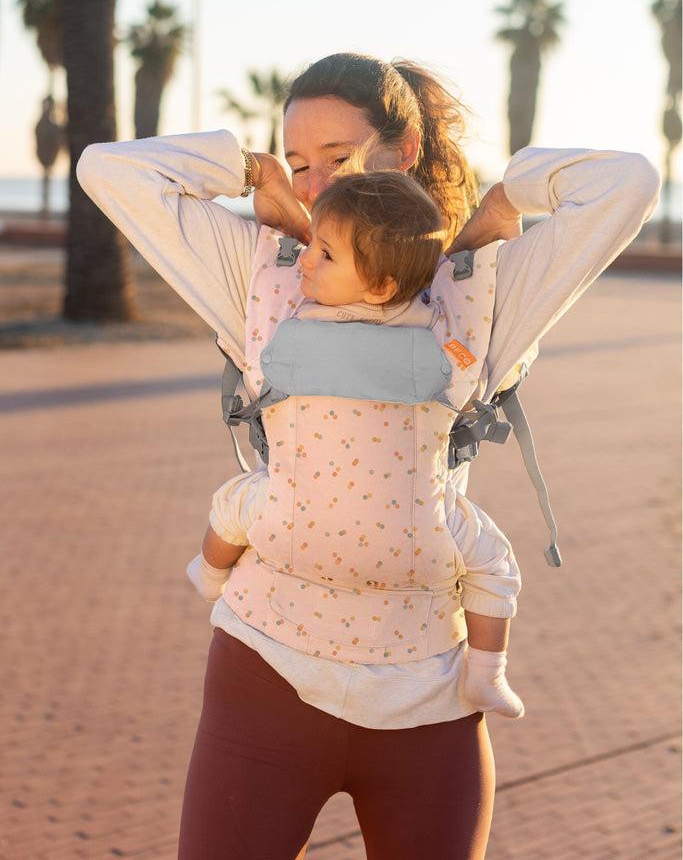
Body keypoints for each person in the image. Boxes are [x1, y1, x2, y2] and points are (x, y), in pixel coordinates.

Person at [77, 51, 660, 860]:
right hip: (264, 677)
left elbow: (627, 182)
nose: (313, 187)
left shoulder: (483, 290)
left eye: (338, 161)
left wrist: (500, 201)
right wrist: (249, 172)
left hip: (427, 698)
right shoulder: (261, 269)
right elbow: (107, 170)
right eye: (298, 162)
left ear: (405, 152)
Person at [186, 170, 525, 721]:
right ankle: (488, 675)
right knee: (493, 564)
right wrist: (477, 255)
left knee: (234, 505)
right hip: (417, 530)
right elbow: (468, 357)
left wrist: (271, 237)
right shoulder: (441, 342)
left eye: (324, 253)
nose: (305, 263)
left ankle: (207, 574)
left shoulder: (288, 322)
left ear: (381, 286)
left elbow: (262, 318)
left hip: (293, 515)